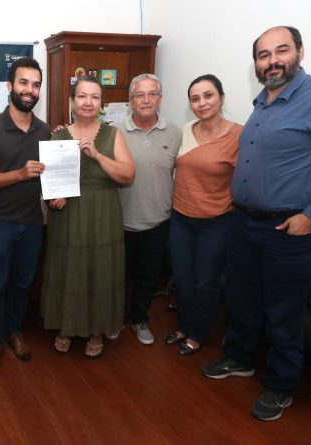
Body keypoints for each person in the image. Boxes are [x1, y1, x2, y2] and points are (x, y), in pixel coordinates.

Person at [201, 26, 311, 421]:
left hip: (292, 231)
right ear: (256, 64)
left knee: (283, 313)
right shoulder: (263, 103)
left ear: (300, 52)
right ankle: (239, 359)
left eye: (282, 50)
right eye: (263, 55)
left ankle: (281, 385)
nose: (272, 60)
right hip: (246, 226)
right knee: (242, 301)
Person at [41, 76, 135, 359]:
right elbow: (49, 181)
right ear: (72, 101)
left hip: (103, 212)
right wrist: (52, 199)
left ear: (102, 104)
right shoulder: (58, 136)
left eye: (95, 97)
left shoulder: (112, 134)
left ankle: (97, 330)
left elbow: (128, 175)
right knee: (68, 269)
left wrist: (97, 155)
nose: (88, 102)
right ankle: (67, 326)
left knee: (101, 270)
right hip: (68, 213)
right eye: (82, 96)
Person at [0, 57, 50, 376]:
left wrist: (57, 192)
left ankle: (14, 331)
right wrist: (19, 174)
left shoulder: (45, 130)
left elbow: (50, 175)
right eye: (23, 82)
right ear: (10, 86)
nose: (30, 90)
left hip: (32, 223)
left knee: (22, 283)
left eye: (36, 84)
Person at [165, 74, 242, 355]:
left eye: (208, 96)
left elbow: (247, 180)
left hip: (217, 222)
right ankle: (184, 326)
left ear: (221, 98)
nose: (202, 103)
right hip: (181, 217)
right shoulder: (186, 130)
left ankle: (196, 334)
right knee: (183, 279)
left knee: (206, 282)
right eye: (195, 99)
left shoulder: (240, 135)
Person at [110, 73, 181, 345]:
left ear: (160, 99)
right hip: (119, 221)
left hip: (158, 222)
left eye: (152, 94)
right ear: (130, 100)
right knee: (118, 278)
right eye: (139, 95)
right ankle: (116, 319)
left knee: (148, 278)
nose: (146, 100)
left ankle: (139, 318)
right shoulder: (113, 131)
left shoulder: (176, 133)